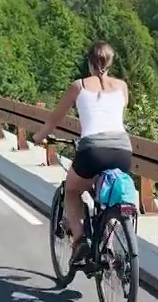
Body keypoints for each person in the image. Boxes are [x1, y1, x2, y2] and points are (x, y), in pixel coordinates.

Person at [33, 41, 133, 266]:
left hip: (93, 149)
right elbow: (116, 112)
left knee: (72, 190)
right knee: (110, 197)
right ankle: (107, 245)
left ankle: (79, 241)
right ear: (111, 62)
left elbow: (55, 118)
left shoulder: (78, 86)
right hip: (122, 149)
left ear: (89, 63)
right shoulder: (122, 86)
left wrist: (39, 137)